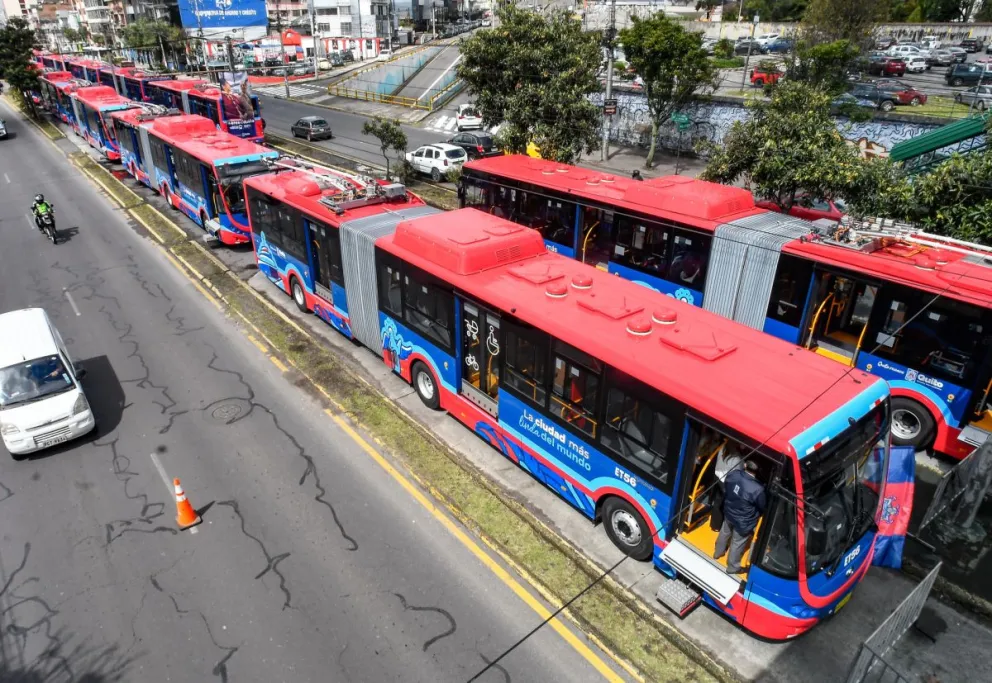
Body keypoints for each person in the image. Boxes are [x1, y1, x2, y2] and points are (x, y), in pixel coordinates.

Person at [714, 459, 766, 574]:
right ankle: (732, 567)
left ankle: (718, 552)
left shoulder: (734, 474)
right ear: (758, 471)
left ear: (745, 465)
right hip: (744, 521)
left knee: (724, 532)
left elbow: (726, 487)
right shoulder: (758, 489)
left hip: (729, 512)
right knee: (737, 543)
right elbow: (762, 506)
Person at [710, 442, 742, 531]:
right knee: (723, 504)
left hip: (717, 478)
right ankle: (719, 525)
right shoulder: (737, 458)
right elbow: (738, 473)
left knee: (717, 502)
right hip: (726, 483)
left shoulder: (722, 448)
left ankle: (714, 525)